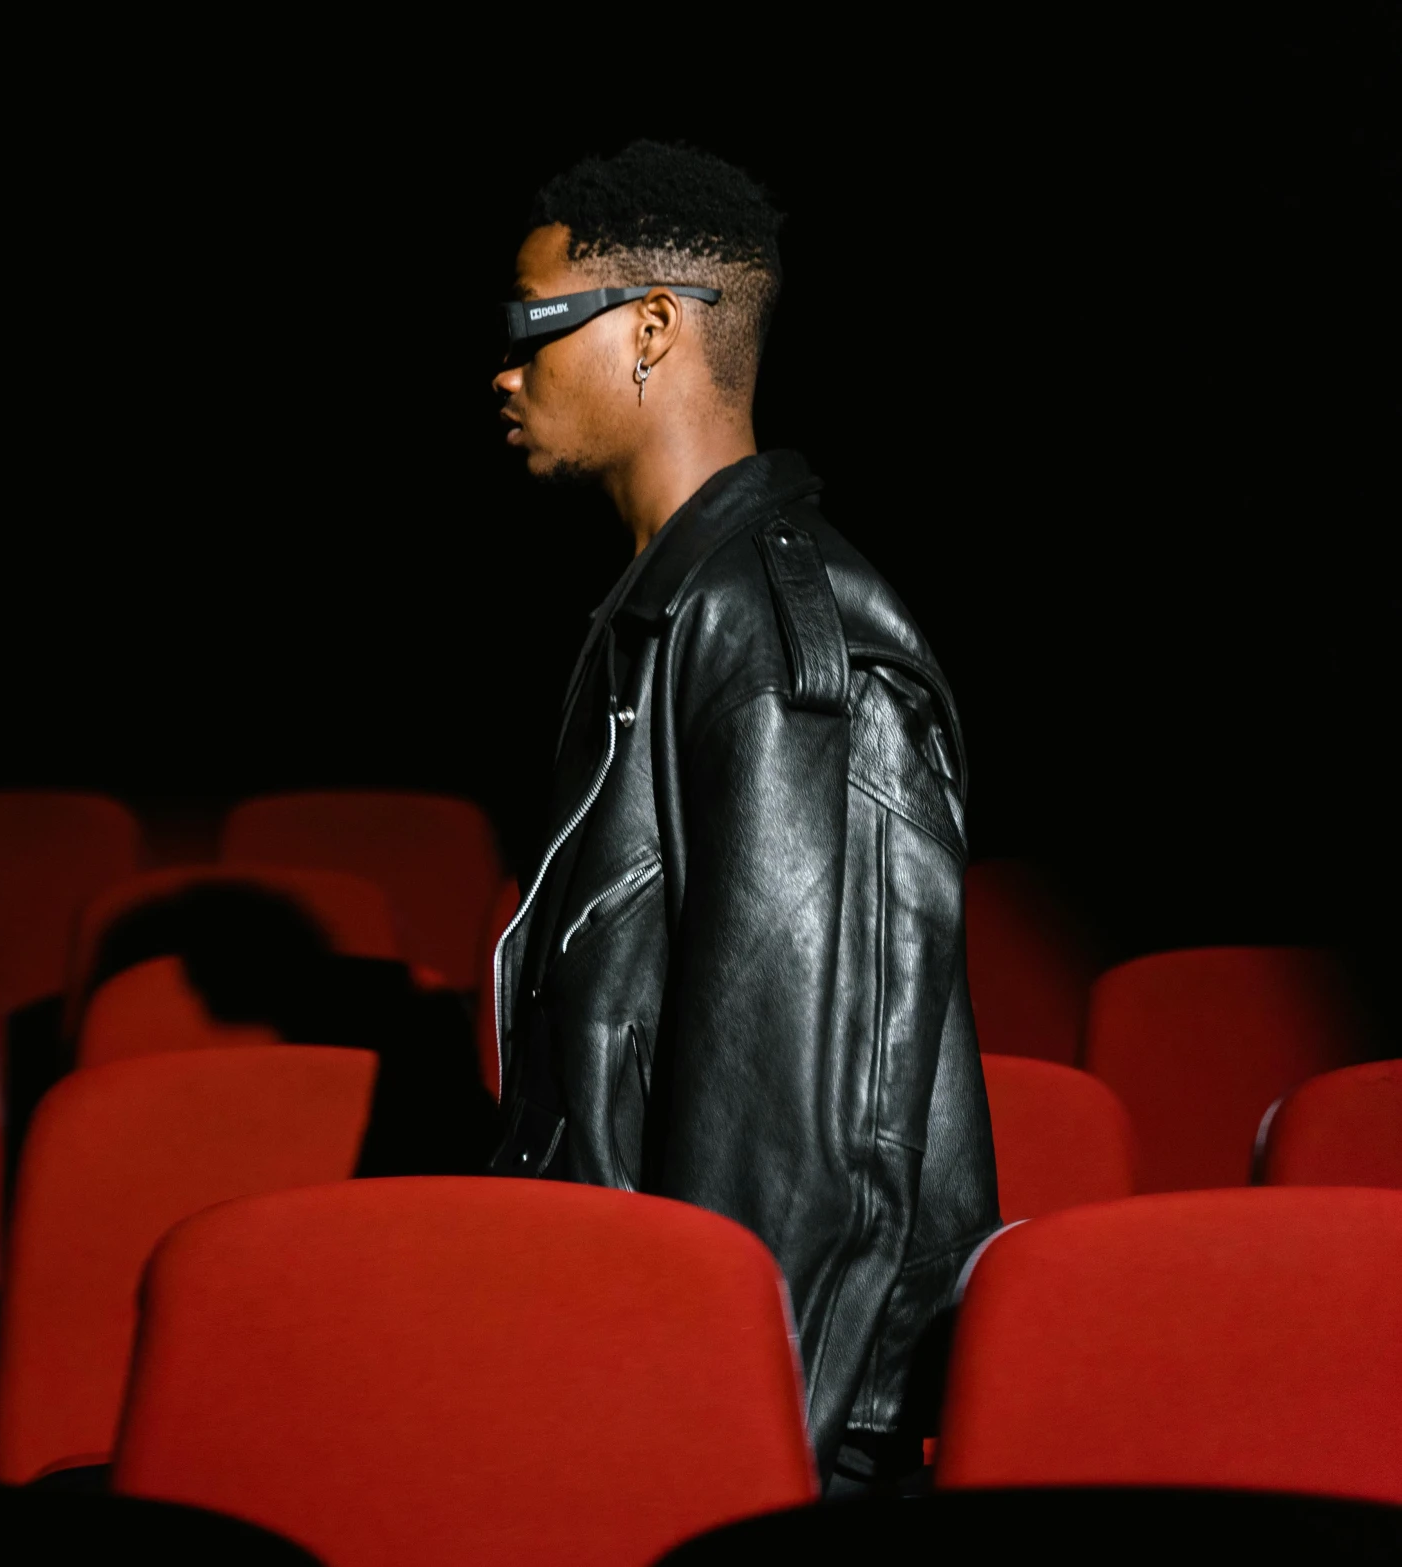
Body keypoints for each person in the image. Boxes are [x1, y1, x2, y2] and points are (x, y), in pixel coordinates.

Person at [487, 141, 998, 1493]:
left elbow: (810, 1156)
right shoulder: (675, 618)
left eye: (525, 325)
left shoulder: (772, 643)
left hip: (739, 1434)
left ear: (651, 327)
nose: (501, 369)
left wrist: (718, 1468)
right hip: (642, 1361)